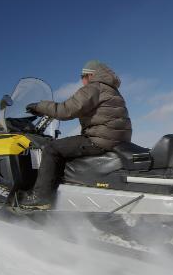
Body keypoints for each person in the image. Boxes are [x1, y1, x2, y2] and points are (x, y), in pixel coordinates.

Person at [18, 59, 132, 210]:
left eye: (82, 76)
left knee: (52, 148)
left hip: (100, 139)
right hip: (118, 140)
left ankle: (40, 198)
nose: (81, 80)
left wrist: (39, 106)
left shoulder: (93, 88)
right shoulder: (111, 90)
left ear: (90, 75)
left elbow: (67, 110)